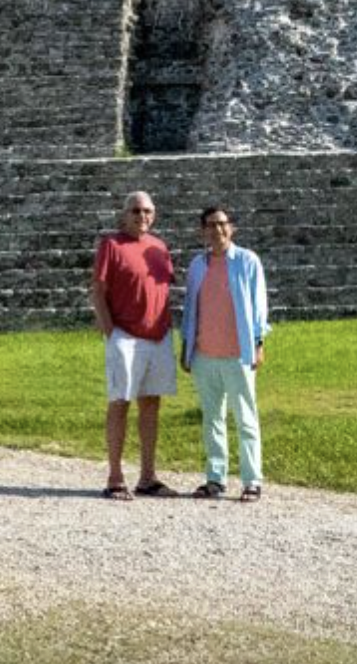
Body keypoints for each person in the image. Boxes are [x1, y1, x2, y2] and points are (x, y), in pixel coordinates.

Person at [92, 190, 177, 500]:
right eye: (136, 211)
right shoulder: (111, 245)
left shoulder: (159, 247)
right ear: (124, 214)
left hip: (158, 334)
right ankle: (115, 476)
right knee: (120, 402)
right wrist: (110, 332)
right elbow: (98, 291)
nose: (143, 216)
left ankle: (148, 476)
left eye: (148, 211)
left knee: (151, 404)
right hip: (125, 335)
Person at [180, 205, 268, 501]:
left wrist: (258, 343)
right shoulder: (197, 266)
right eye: (210, 225)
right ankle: (215, 478)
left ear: (231, 228)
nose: (217, 230)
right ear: (202, 231)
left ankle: (252, 480)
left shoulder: (247, 261)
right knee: (212, 418)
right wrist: (186, 348)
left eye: (222, 224)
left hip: (238, 353)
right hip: (205, 354)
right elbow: (191, 309)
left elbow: (258, 306)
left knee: (246, 418)